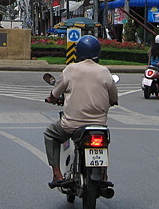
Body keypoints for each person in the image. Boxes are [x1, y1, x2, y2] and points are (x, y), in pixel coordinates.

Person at [44, 35, 118, 188]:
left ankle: (56, 174)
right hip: (99, 126)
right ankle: (103, 174)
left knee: (50, 134)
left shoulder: (70, 69)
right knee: (104, 142)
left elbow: (55, 93)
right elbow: (114, 97)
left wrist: (51, 98)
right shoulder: (105, 72)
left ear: (78, 52)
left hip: (72, 125)